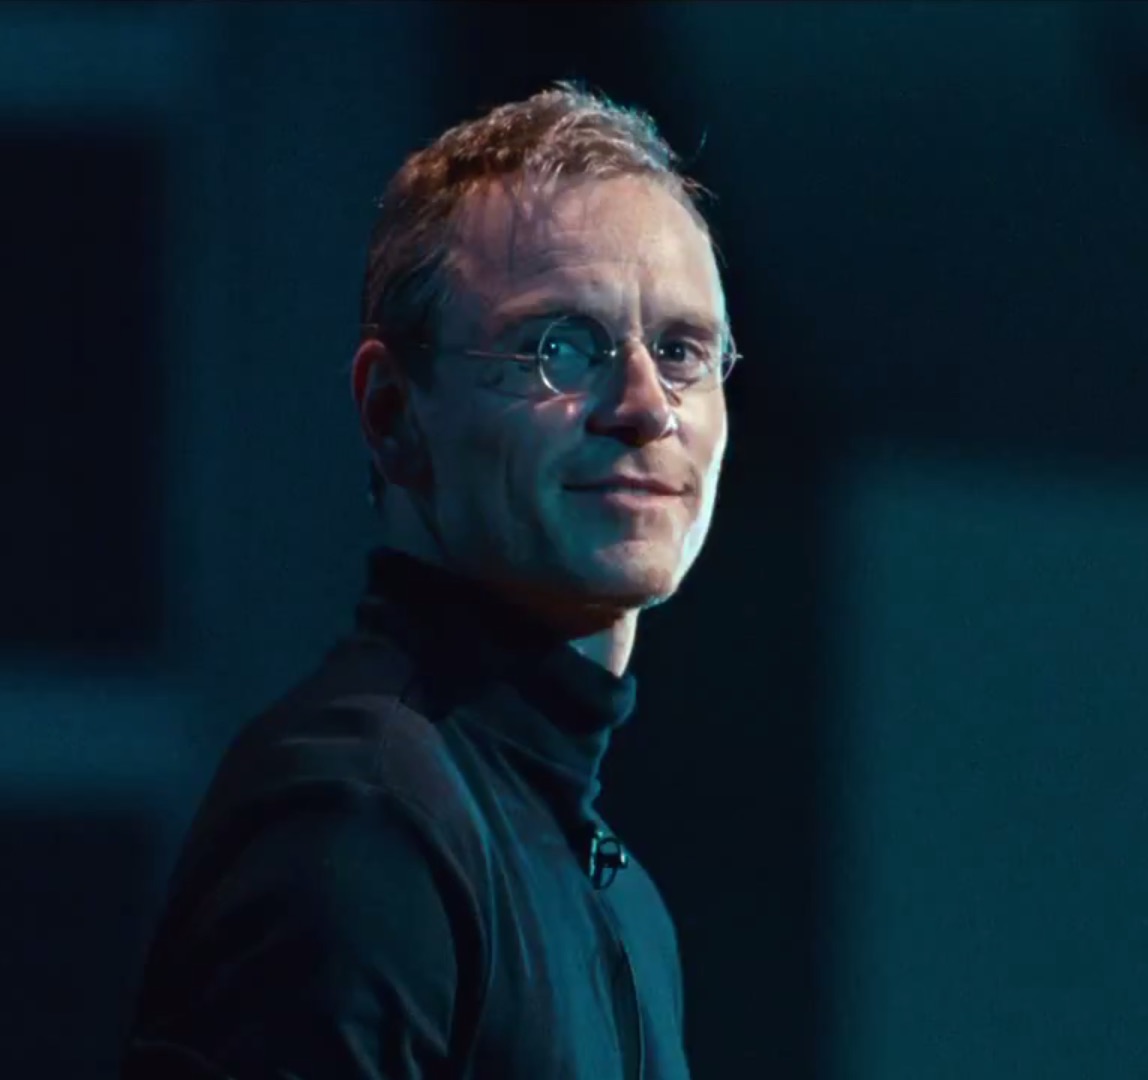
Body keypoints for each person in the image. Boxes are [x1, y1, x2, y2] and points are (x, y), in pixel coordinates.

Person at [121, 82, 735, 1079]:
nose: (644, 407)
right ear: (394, 412)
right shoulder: (360, 816)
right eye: (559, 347)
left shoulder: (615, 896)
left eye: (680, 351)